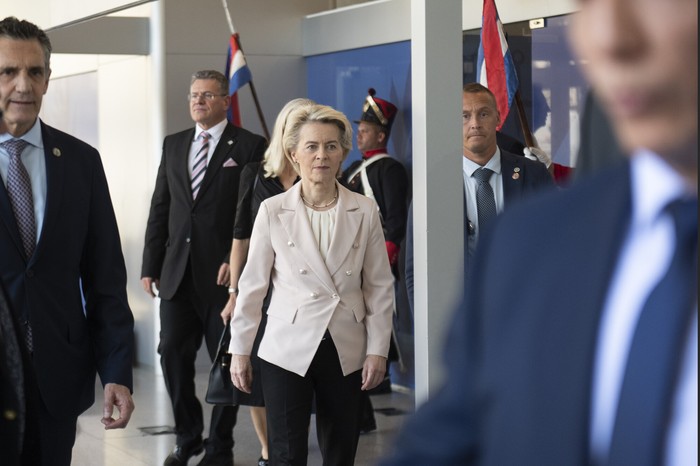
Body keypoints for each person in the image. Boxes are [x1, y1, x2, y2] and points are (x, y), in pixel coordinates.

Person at [381, 0, 697, 464]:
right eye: (590, 5)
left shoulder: (528, 184)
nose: (612, 38)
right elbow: (449, 436)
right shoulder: (533, 239)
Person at [0, 16, 135, 466]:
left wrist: (116, 371)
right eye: (7, 72)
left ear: (48, 78)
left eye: (35, 72)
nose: (23, 85)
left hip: (55, 382)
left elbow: (106, 278)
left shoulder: (80, 162)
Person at [228, 103, 394, 465]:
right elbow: (252, 286)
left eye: (332, 146)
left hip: (345, 346)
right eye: (312, 146)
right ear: (294, 154)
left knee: (340, 451)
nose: (322, 155)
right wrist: (239, 350)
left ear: (343, 154)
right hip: (285, 346)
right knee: (286, 453)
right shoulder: (272, 210)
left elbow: (379, 287)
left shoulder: (363, 210)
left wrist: (378, 349)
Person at [141, 69, 266, 466]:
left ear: (224, 100)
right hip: (177, 273)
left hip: (223, 275)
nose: (198, 101)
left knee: (228, 362)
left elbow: (252, 210)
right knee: (171, 355)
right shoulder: (174, 144)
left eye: (207, 95)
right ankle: (188, 435)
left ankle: (221, 445)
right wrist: (150, 263)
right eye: (194, 95)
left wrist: (238, 261)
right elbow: (162, 205)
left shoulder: (248, 144)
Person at [220, 97, 313, 466]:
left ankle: (288, 447)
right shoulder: (257, 173)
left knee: (294, 378)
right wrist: (234, 293)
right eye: (299, 122)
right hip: (262, 288)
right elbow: (240, 235)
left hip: (304, 290)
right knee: (256, 380)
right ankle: (266, 449)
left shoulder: (322, 168)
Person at [342, 87, 409, 425]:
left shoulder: (390, 170)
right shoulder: (354, 168)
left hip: (374, 259)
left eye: (365, 130)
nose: (359, 134)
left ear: (381, 134)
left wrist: (386, 257)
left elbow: (395, 218)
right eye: (359, 129)